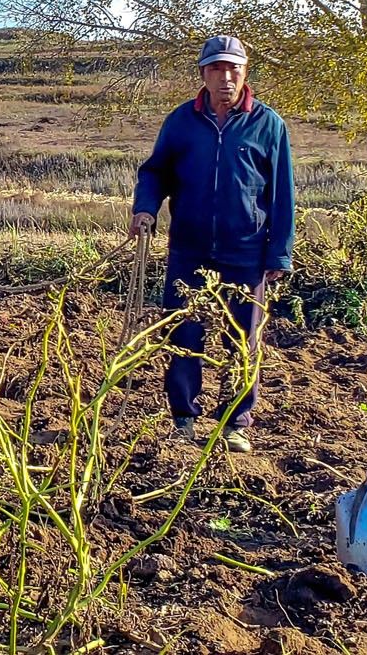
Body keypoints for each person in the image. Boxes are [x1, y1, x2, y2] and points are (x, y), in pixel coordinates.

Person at [130, 35, 297, 453]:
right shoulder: (182, 121)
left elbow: (282, 194)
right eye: (216, 69)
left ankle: (235, 423)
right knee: (183, 333)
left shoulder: (268, 124)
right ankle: (183, 418)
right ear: (203, 74)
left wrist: (279, 252)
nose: (225, 78)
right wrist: (145, 208)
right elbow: (155, 172)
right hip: (189, 248)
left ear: (245, 72)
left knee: (243, 339)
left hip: (246, 251)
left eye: (233, 69)